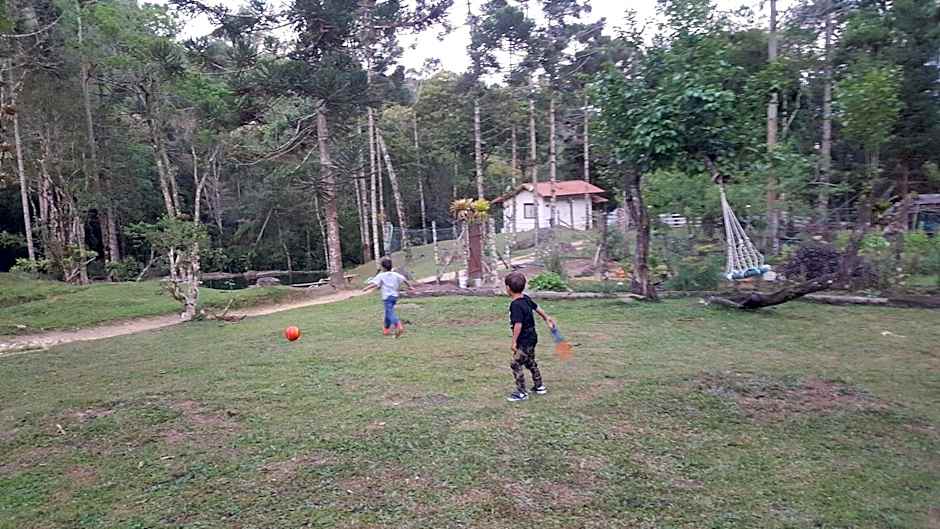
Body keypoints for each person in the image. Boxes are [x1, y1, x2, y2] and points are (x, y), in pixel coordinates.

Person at [504, 271, 555, 402]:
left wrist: (514, 342)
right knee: (529, 361)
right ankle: (539, 386)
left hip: (524, 340)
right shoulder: (525, 298)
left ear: (508, 288)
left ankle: (521, 393)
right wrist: (546, 318)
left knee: (515, 363)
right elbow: (537, 308)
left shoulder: (515, 304)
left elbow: (518, 325)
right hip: (532, 337)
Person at [363, 257, 412, 337]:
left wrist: (366, 288)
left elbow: (375, 284)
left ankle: (398, 325)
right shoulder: (395, 274)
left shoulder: (381, 275)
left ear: (383, 267)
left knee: (390, 313)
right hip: (394, 297)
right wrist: (410, 286)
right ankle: (386, 329)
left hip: (387, 298)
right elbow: (404, 279)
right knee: (387, 312)